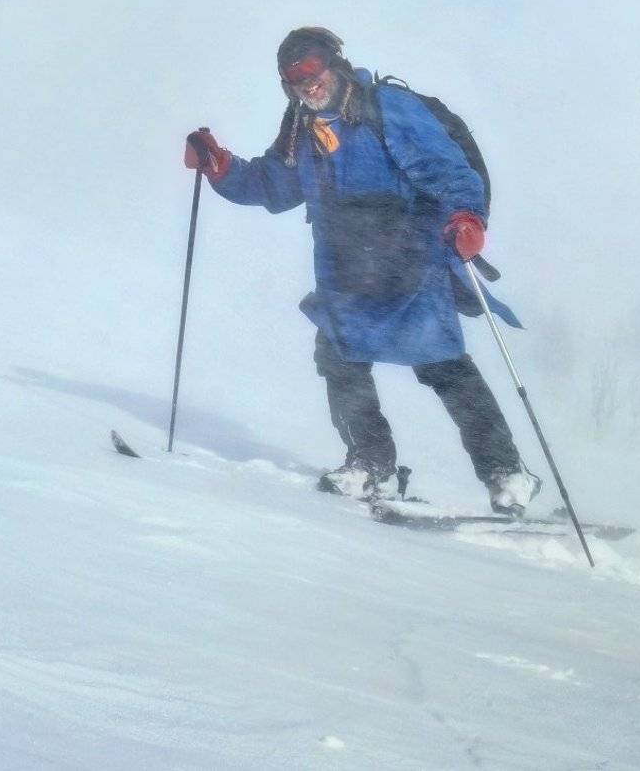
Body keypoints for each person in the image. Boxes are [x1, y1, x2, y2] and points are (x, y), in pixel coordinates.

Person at [184, 26, 541, 515]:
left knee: (442, 365)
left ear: (334, 64)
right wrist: (221, 167)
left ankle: (506, 474)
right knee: (339, 357)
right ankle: (371, 465)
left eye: (311, 70)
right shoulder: (301, 129)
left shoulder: (387, 108)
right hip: (346, 268)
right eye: (293, 78)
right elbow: (274, 186)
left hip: (408, 258)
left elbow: (449, 169)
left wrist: (466, 216)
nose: (305, 84)